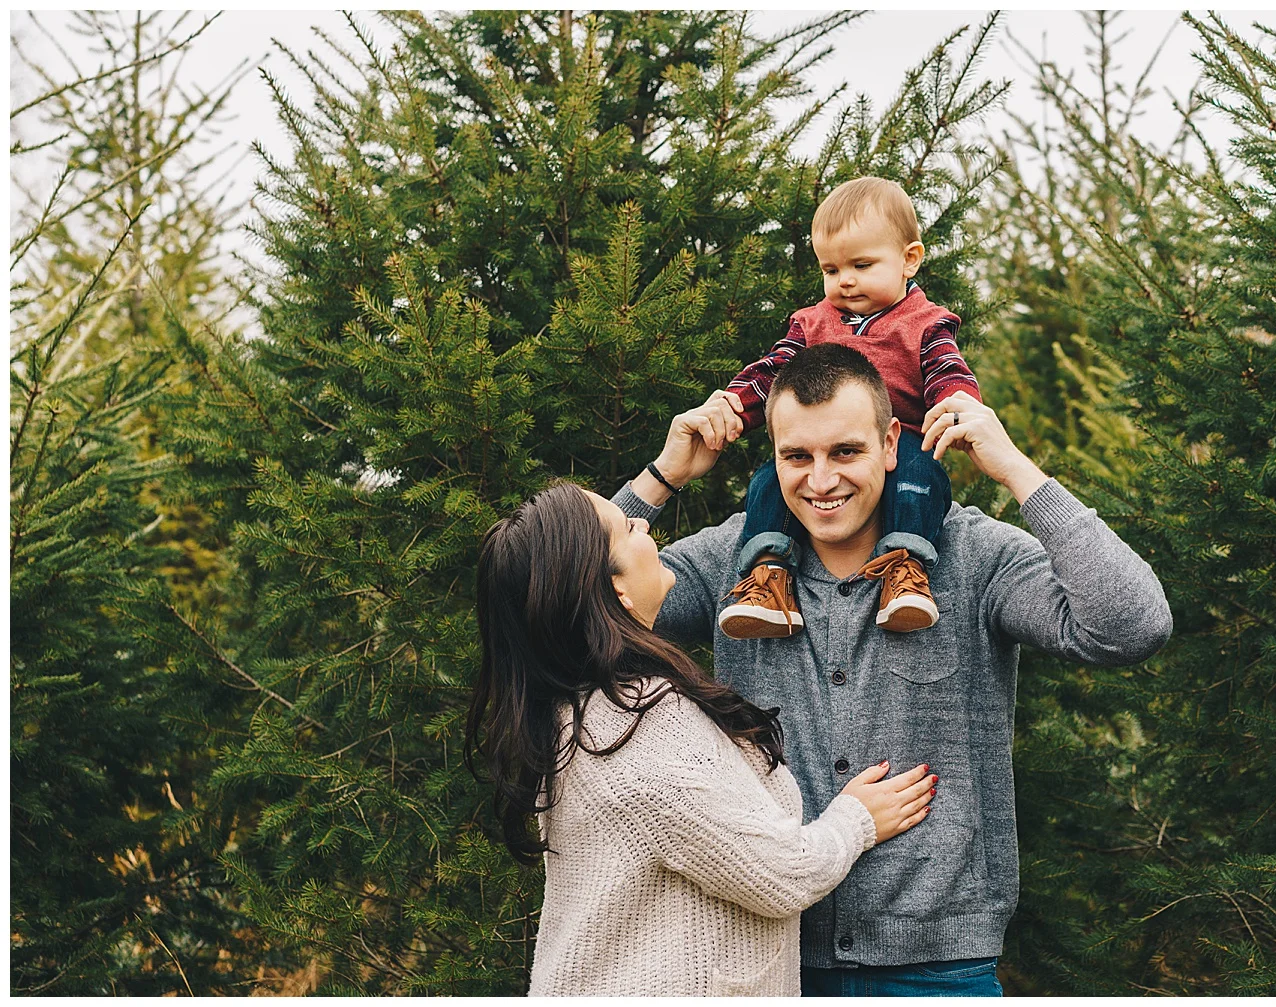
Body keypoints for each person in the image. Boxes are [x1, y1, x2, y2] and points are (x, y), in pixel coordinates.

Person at [615, 343, 1174, 996]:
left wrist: (1015, 469)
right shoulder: (734, 563)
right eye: (798, 456)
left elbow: (1132, 623)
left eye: (845, 451)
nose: (821, 480)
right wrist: (662, 474)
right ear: (774, 456)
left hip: (941, 970)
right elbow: (573, 609)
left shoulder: (975, 556)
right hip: (766, 963)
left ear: (889, 443)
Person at [463, 480, 938, 996]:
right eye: (629, 528)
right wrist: (857, 820)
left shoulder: (578, 711)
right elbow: (784, 873)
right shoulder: (643, 731)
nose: (643, 524)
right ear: (615, 591)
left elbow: (568, 556)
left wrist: (664, 474)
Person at [711, 175, 982, 639]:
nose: (846, 280)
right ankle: (768, 576)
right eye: (831, 270)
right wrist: (734, 404)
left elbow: (947, 371)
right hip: (818, 438)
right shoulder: (812, 322)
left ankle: (904, 571)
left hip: (905, 440)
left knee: (919, 478)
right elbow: (774, 371)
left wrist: (958, 408)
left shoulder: (923, 323)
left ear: (909, 260)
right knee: (769, 482)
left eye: (862, 264)